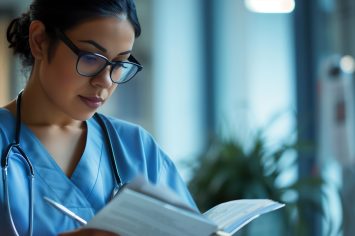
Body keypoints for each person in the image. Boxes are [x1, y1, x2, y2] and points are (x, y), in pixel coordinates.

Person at [0, 0, 197, 235]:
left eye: (119, 63)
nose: (106, 80)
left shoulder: (138, 149)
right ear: (39, 40)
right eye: (91, 57)